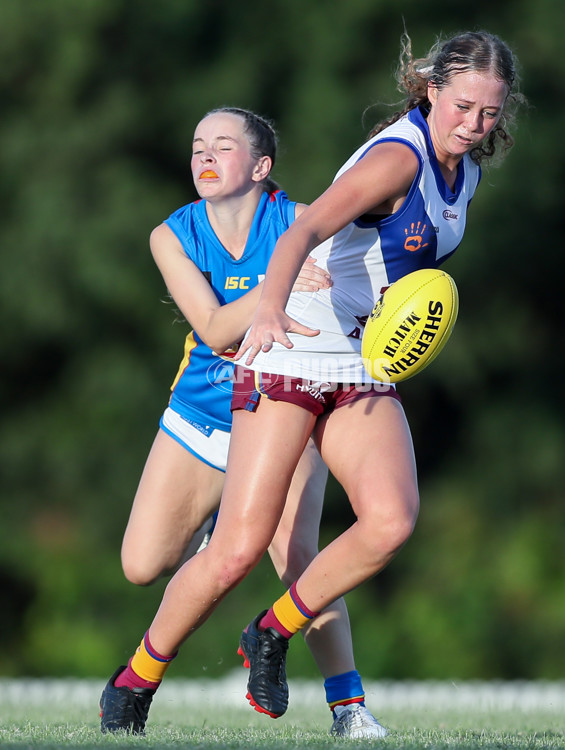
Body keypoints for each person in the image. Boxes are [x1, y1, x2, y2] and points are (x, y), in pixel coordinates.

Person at [102, 28, 525, 732]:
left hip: (358, 358)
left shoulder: (467, 174)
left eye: (489, 111)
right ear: (430, 91)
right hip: (296, 344)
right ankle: (135, 680)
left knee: (391, 521)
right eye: (462, 106)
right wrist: (266, 311)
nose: (474, 124)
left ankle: (270, 631)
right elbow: (301, 235)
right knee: (239, 549)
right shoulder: (397, 158)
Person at [100, 107, 387, 739]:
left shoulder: (305, 222)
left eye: (223, 146)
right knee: (142, 566)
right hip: (204, 411)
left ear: (261, 167)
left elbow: (362, 300)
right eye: (198, 144)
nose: (204, 155)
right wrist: (279, 286)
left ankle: (349, 708)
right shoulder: (171, 235)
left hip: (285, 401)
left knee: (302, 560)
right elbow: (210, 327)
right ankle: (215, 526)